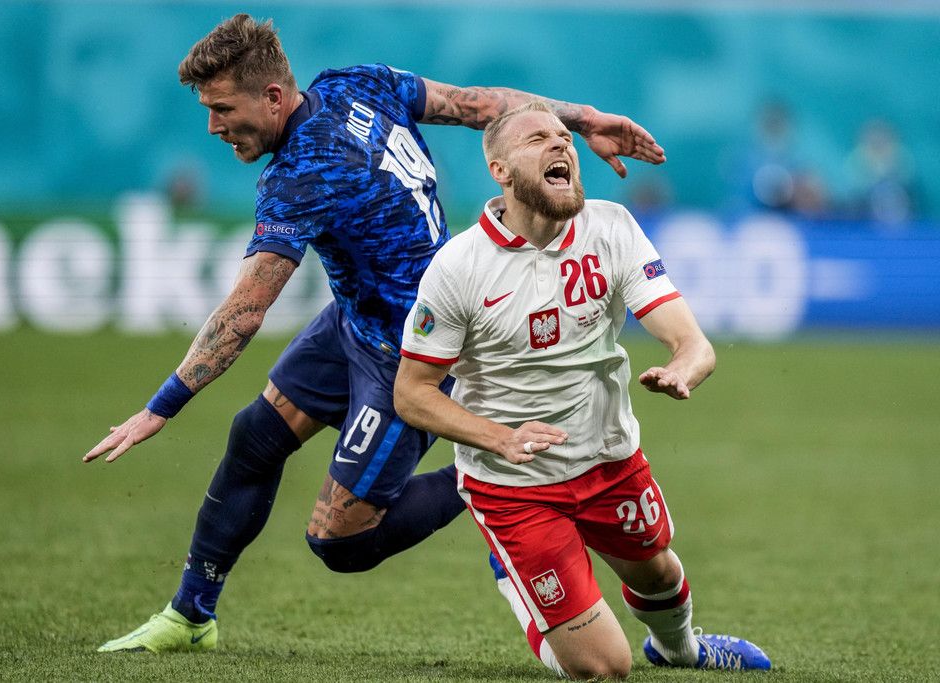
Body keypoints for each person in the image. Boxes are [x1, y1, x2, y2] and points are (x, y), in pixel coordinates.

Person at [83, 14, 666, 653]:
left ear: (272, 97)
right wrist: (583, 117)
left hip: (413, 352)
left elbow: (244, 313)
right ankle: (190, 616)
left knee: (341, 541)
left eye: (222, 109)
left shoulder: (300, 175)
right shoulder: (354, 82)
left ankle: (496, 489)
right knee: (254, 437)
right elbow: (481, 106)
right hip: (356, 322)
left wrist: (161, 407)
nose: (214, 127)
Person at [394, 101, 770, 679]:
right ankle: (517, 572)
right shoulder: (458, 267)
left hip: (609, 459)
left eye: (564, 137)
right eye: (537, 139)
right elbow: (412, 393)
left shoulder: (611, 227)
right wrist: (499, 438)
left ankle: (682, 649)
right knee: (604, 668)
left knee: (659, 572)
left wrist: (683, 368)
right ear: (500, 171)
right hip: (514, 487)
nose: (561, 144)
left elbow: (693, 342)